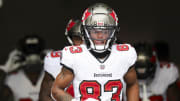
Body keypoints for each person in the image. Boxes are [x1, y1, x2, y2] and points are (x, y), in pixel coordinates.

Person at [52, 3, 139, 101]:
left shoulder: (124, 54)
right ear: (85, 31)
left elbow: (132, 84)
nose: (100, 36)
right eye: (95, 31)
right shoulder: (74, 56)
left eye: (105, 31)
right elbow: (56, 90)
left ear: (114, 31)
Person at [38, 19, 83, 101]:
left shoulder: (112, 58)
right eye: (78, 38)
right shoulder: (55, 60)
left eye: (87, 38)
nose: (83, 43)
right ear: (70, 39)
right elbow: (45, 96)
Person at [5, 34, 46, 101]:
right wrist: (5, 70)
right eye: (28, 51)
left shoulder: (51, 76)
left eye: (36, 50)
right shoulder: (13, 78)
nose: (32, 55)